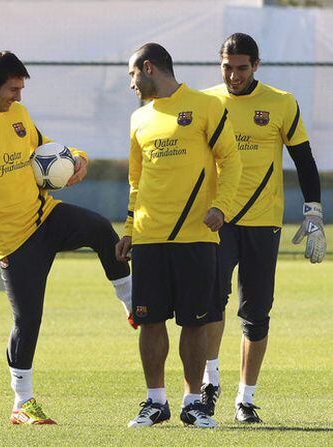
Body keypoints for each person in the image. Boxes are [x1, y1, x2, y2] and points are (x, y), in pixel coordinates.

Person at [0, 51, 133, 425]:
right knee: (28, 321)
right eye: (13, 89)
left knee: (99, 228)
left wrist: (76, 157)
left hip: (46, 215)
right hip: (13, 242)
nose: (19, 97)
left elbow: (47, 147)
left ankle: (130, 300)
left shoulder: (18, 116)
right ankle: (22, 403)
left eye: (21, 88)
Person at [201, 33, 326, 423]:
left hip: (263, 223)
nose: (233, 75)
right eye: (227, 67)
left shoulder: (281, 102)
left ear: (256, 65)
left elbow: (303, 159)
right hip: (217, 222)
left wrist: (314, 212)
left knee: (256, 314)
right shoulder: (206, 103)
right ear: (219, 64)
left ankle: (245, 398)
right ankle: (209, 387)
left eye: (241, 67)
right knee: (209, 307)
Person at [116, 43, 241, 429]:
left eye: (133, 75)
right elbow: (136, 182)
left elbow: (231, 160)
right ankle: (155, 402)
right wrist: (128, 230)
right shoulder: (139, 119)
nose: (132, 85)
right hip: (149, 238)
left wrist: (222, 206)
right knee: (150, 322)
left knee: (195, 322)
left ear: (149, 67)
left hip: (196, 236)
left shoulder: (205, 106)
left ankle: (193, 403)